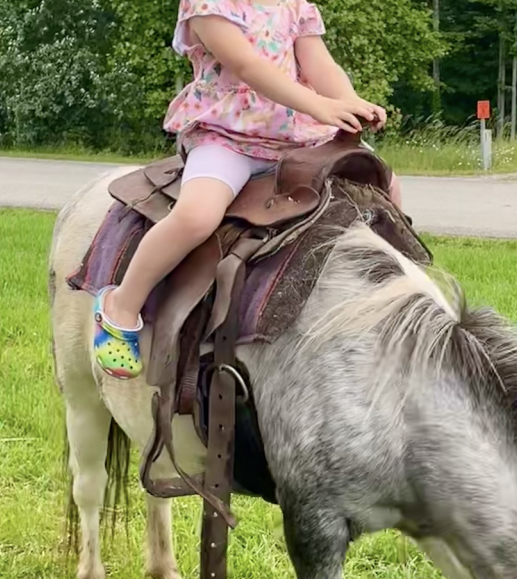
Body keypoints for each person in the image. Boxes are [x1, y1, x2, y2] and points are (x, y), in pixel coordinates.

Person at [93, 0, 400, 379]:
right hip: (227, 136)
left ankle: (396, 298)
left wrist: (349, 102)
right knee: (197, 216)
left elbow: (321, 65)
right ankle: (122, 304)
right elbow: (246, 65)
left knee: (385, 185)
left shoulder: (294, 5)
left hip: (297, 138)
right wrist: (320, 106)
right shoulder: (208, 4)